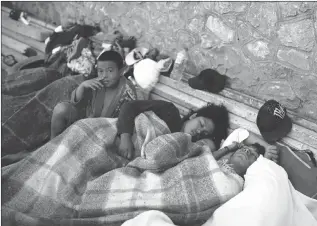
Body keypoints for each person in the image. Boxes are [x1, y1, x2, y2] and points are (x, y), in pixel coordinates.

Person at [50, 50, 137, 139]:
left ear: (121, 71)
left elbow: (129, 116)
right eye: (100, 71)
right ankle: (51, 143)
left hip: (108, 132)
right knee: (61, 108)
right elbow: (76, 103)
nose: (104, 75)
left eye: (110, 71)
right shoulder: (97, 83)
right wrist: (82, 86)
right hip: (87, 123)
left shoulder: (127, 89)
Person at [117, 100, 230, 159]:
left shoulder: (184, 146)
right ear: (193, 116)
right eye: (201, 124)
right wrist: (125, 137)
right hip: (121, 136)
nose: (199, 131)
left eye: (204, 133)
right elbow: (130, 106)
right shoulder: (169, 111)